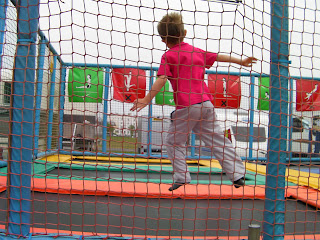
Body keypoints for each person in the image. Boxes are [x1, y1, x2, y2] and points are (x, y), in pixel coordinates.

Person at [130, 12, 257, 191]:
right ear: (185, 32)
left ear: (163, 39)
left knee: (174, 142)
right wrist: (241, 62)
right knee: (217, 140)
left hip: (187, 105)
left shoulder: (169, 56)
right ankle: (237, 175)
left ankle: (181, 176)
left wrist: (146, 98)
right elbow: (220, 57)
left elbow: (161, 78)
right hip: (206, 104)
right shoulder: (197, 52)